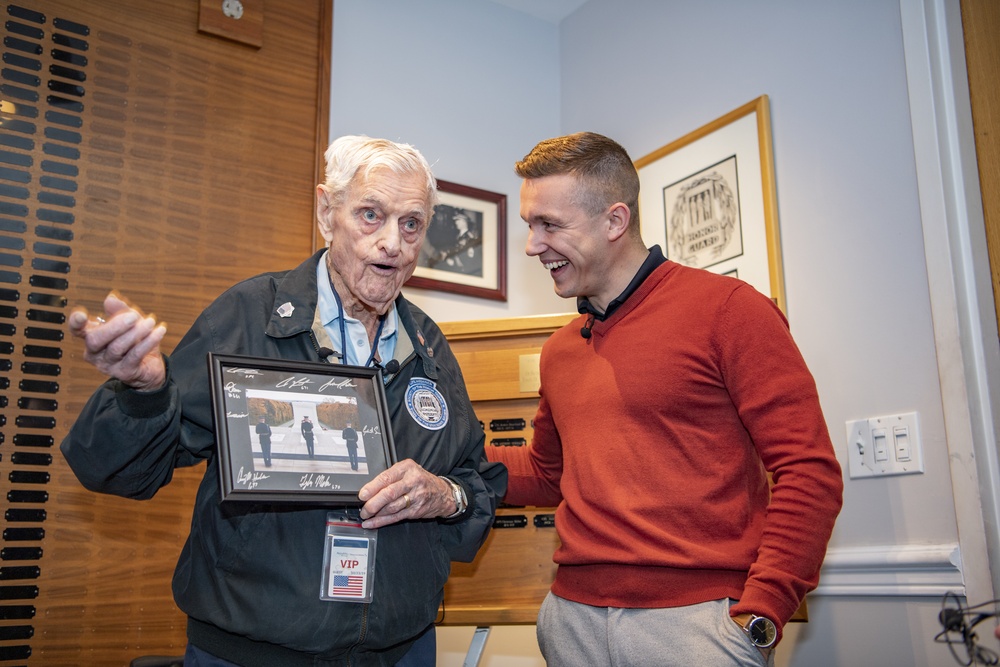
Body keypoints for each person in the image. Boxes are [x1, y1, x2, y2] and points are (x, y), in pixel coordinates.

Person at [61, 135, 507, 667]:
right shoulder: (250, 315)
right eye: (371, 214)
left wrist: (445, 496)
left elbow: (476, 483)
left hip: (399, 650)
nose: (393, 242)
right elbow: (120, 472)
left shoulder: (430, 346)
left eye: (411, 223)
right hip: (253, 651)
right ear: (327, 211)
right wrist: (142, 393)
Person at [485, 132, 843, 666]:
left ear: (614, 221)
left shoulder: (728, 310)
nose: (534, 245)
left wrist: (764, 610)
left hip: (698, 625)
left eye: (550, 225)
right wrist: (438, 452)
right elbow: (546, 473)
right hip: (571, 621)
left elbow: (809, 471)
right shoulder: (561, 350)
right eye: (529, 227)